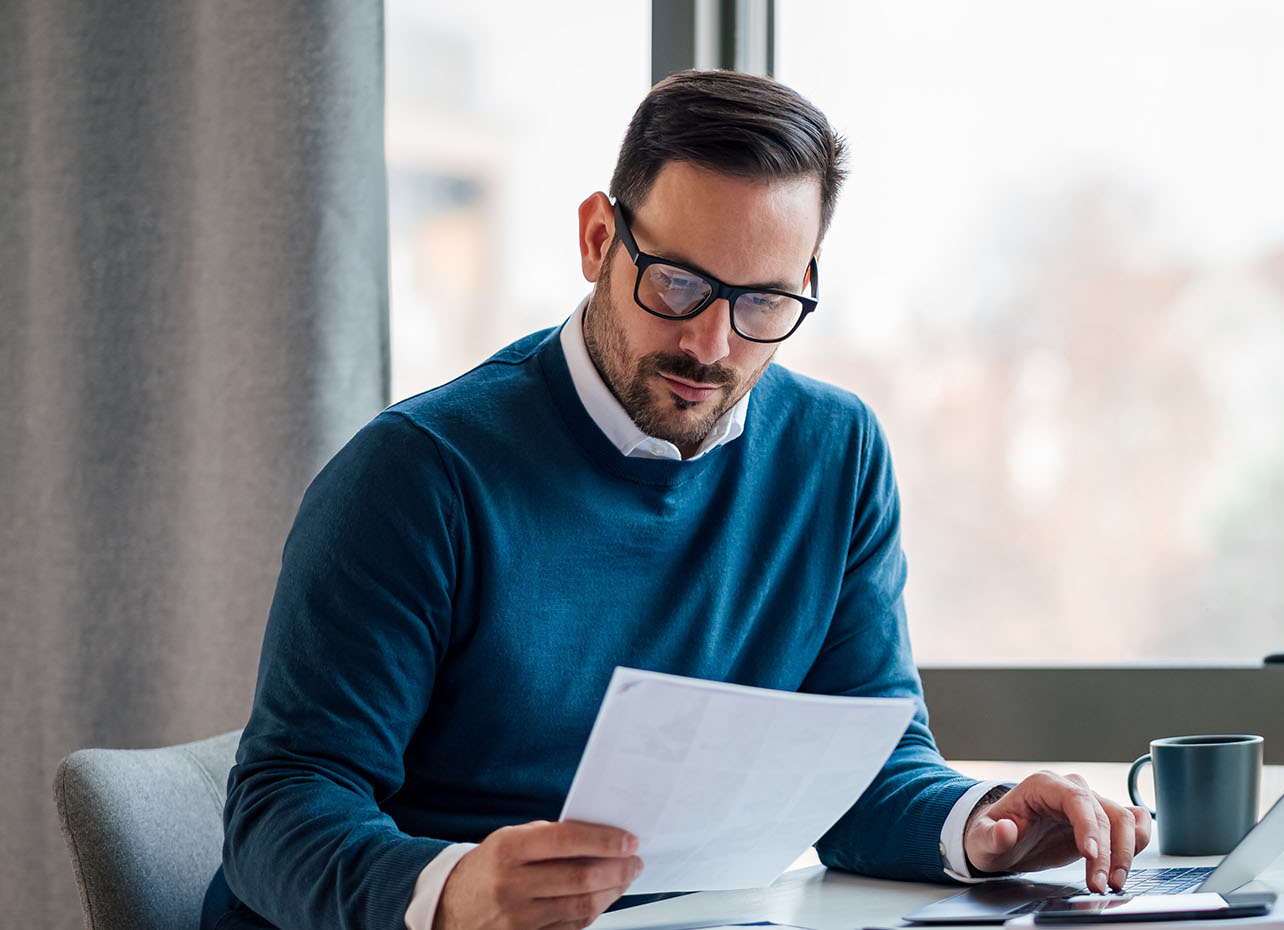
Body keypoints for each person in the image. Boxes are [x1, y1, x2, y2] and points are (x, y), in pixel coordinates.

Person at [201, 70, 1149, 930]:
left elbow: (865, 774)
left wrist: (982, 825)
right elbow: (281, 811)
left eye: (763, 302)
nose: (713, 346)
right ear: (598, 240)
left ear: (806, 285)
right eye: (680, 283)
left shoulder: (837, 454)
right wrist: (454, 890)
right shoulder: (416, 476)